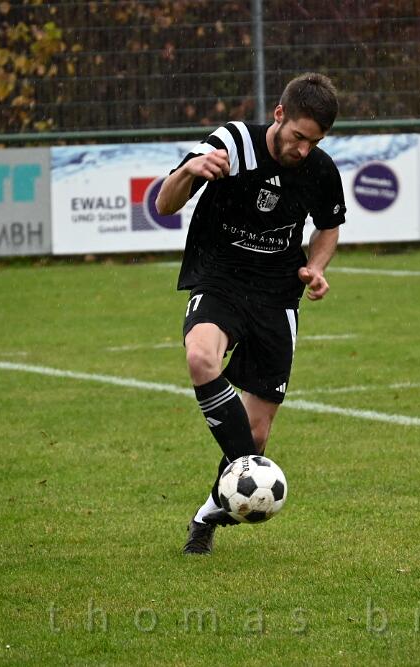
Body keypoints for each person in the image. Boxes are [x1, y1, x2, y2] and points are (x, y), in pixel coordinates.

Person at [156, 72, 347, 555]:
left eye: (314, 141)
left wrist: (316, 267)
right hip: (220, 279)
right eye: (298, 136)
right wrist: (189, 170)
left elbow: (328, 227)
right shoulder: (232, 143)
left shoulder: (320, 170)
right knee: (201, 358)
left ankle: (207, 515)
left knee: (256, 434)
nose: (303, 149)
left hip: (277, 295)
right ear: (279, 115)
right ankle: (249, 479)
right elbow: (164, 203)